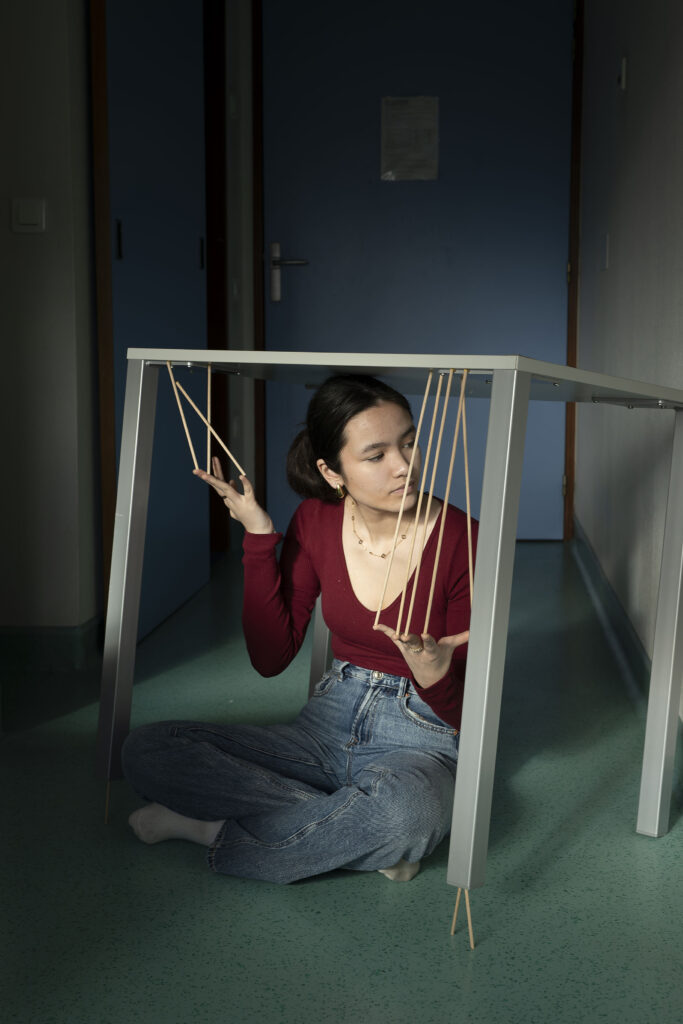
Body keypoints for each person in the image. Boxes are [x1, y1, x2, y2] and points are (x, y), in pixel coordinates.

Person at [122, 374, 477, 884]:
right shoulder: (315, 520)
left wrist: (436, 676)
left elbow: (472, 716)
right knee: (148, 750)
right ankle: (352, 832)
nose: (405, 466)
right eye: (376, 455)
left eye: (411, 441)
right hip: (323, 727)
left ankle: (210, 829)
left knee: (408, 815)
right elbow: (271, 658)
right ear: (331, 471)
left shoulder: (465, 538)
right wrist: (260, 536)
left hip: (419, 738)